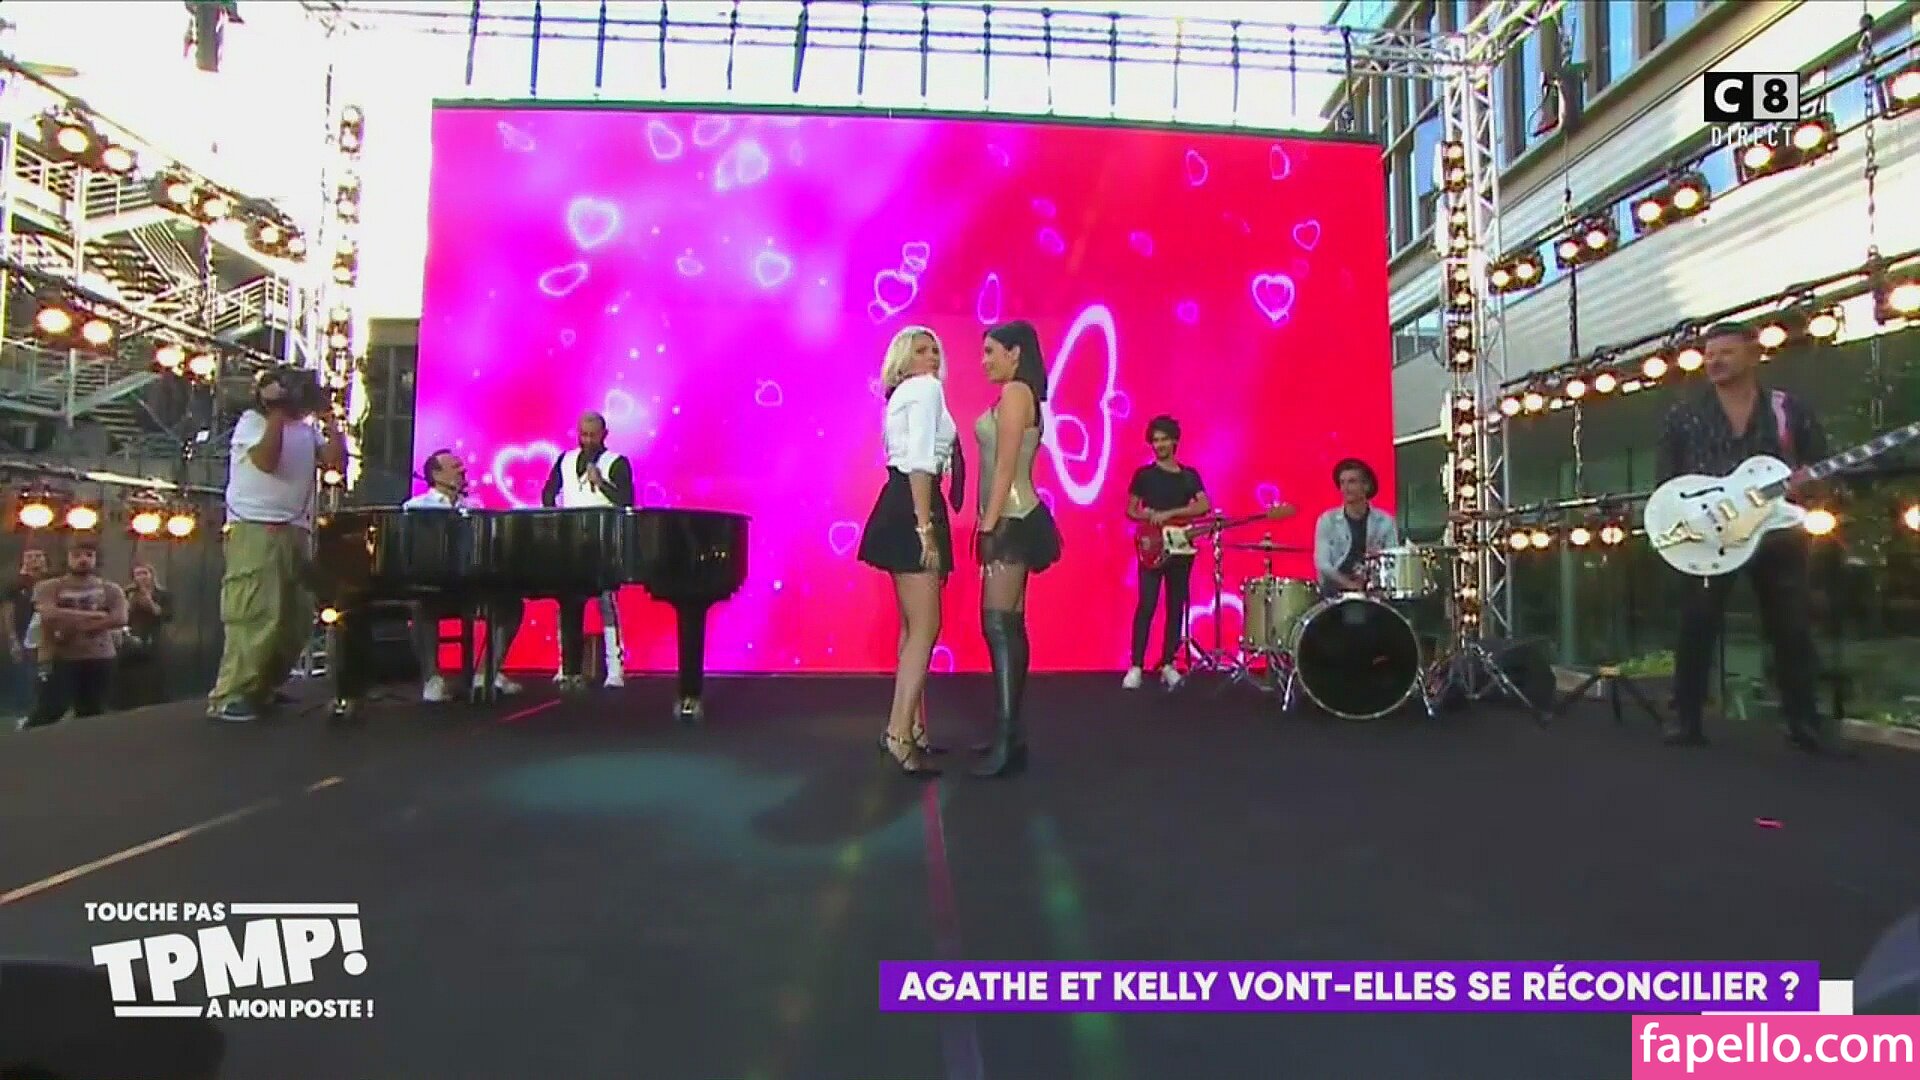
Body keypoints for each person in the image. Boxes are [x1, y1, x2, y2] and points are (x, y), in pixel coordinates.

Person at [1656, 321, 1844, 754]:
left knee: (1791, 627)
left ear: (1753, 355)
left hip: (1775, 529)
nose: (1714, 361)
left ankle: (1803, 721)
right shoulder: (1683, 415)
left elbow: (1819, 461)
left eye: (1725, 352)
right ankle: (1685, 718)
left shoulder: (1787, 410)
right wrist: (1684, 523)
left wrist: (1811, 486)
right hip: (1710, 534)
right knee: (1697, 624)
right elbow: (1667, 482)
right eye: (1709, 355)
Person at [208, 367, 346, 723]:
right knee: (256, 612)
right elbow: (267, 462)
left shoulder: (306, 429)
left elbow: (334, 463)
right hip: (257, 526)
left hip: (296, 529)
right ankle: (232, 694)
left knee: (294, 617)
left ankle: (264, 685)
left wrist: (331, 421)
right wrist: (275, 413)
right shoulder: (252, 422)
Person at [857, 325, 965, 776]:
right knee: (925, 627)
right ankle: (900, 733)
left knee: (911, 627)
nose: (932, 356)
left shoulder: (902, 394)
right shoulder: (924, 389)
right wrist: (925, 529)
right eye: (921, 350)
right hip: (915, 505)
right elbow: (920, 461)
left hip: (901, 501)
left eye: (935, 349)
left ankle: (910, 727)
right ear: (903, 359)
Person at [972, 320, 1063, 778]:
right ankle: (1011, 734)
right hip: (1013, 514)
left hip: (1011, 517)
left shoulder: (1015, 394)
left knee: (998, 623)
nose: (984, 361)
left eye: (991, 351)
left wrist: (987, 528)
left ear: (1015, 353)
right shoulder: (1021, 394)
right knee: (1008, 624)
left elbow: (1006, 466)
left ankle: (1008, 737)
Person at [406, 449, 524, 702]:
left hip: (472, 586)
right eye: (455, 466)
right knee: (420, 604)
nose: (462, 470)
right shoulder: (416, 507)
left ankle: (485, 673)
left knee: (512, 604)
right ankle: (432, 679)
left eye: (461, 465)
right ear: (436, 474)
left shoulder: (474, 507)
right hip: (435, 588)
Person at [540, 411, 637, 688]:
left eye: (593, 435)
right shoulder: (566, 459)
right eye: (584, 434)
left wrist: (601, 483)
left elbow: (627, 501)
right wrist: (554, 518)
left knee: (606, 600)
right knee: (568, 601)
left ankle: (615, 669)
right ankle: (566, 665)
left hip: (603, 539)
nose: (588, 440)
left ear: (604, 435)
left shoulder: (616, 462)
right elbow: (548, 492)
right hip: (571, 540)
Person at [1123, 416, 1210, 690]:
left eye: (1164, 439)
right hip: (1151, 547)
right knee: (1147, 604)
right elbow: (1131, 510)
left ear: (1174, 441)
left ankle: (1168, 663)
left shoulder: (1189, 475)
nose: (1159, 445)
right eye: (1155, 440)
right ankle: (1136, 665)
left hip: (1181, 547)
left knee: (1176, 605)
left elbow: (1203, 506)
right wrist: (1147, 515)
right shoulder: (1144, 475)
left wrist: (1171, 514)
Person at [27, 541, 128, 727]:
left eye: (89, 555)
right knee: (52, 708)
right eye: (77, 555)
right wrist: (95, 616)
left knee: (92, 710)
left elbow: (120, 618)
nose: (83, 560)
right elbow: (48, 613)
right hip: (63, 657)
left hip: (100, 656)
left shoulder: (110, 589)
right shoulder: (50, 587)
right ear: (67, 558)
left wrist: (80, 626)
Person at [1313, 458, 1399, 597]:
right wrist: (1350, 585)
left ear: (1366, 486)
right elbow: (1323, 564)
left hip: (1373, 592)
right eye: (1342, 482)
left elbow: (1394, 560)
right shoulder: (1327, 520)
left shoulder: (1385, 521)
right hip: (1335, 592)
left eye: (1351, 482)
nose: (1345, 488)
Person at [112, 562, 174, 709]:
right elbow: (122, 616)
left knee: (153, 673)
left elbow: (166, 615)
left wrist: (149, 600)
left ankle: (155, 702)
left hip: (154, 637)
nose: (142, 577)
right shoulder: (127, 593)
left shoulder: (163, 595)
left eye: (145, 573)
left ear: (152, 575)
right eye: (138, 574)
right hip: (131, 638)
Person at [3, 547, 51, 724]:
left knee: (48, 672)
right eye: (30, 557)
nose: (34, 560)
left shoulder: (52, 581)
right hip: (24, 634)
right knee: (26, 673)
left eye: (38, 556)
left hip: (50, 635)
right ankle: (24, 712)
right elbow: (8, 612)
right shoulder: (15, 585)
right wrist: (12, 639)